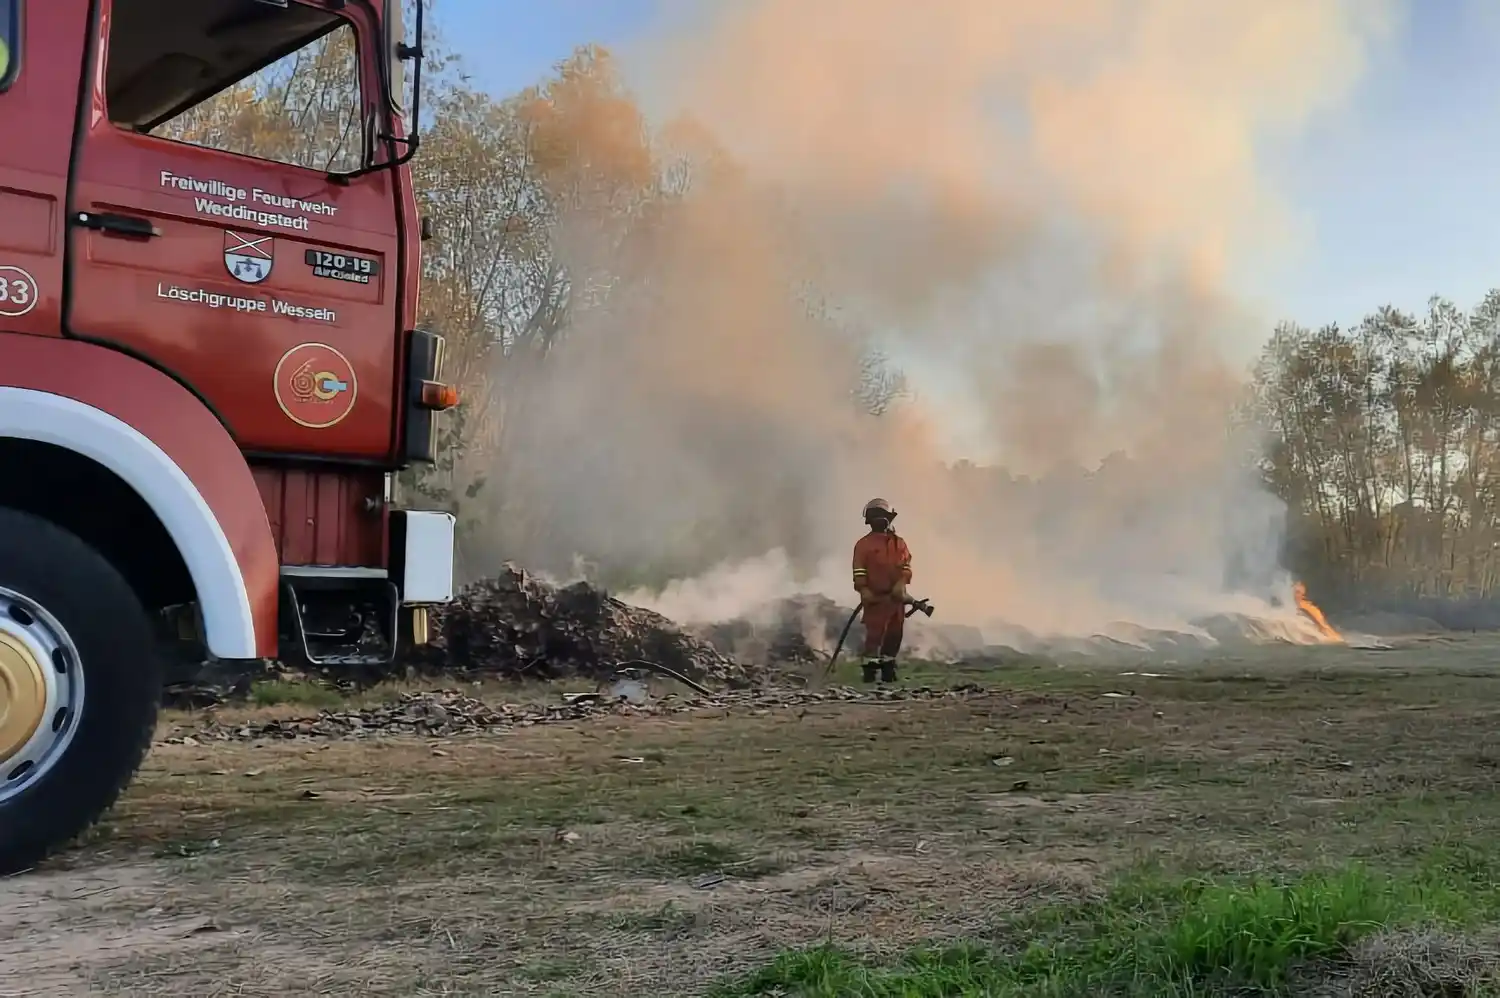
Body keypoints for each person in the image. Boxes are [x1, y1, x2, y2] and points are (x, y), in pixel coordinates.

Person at [851, 498, 912, 683]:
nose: (879, 520)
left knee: (894, 635)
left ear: (890, 518)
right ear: (869, 521)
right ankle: (869, 673)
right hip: (875, 598)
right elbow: (859, 569)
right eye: (875, 516)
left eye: (883, 516)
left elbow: (906, 566)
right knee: (874, 635)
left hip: (895, 599)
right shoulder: (863, 544)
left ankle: (888, 670)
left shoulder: (899, 543)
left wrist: (901, 583)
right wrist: (863, 589)